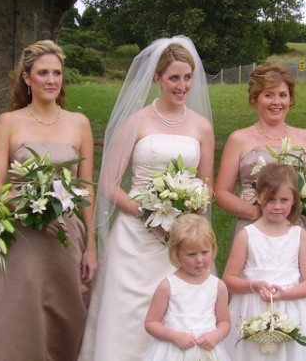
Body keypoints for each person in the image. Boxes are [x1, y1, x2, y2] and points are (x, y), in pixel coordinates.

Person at [78, 36, 214, 361]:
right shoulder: (137, 121)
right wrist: (149, 213)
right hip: (134, 239)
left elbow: (205, 187)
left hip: (180, 239)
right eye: (174, 78)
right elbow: (109, 184)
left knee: (177, 313)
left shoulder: (202, 127)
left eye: (187, 77)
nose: (182, 86)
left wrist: (183, 217)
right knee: (128, 316)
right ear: (157, 78)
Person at [214, 63, 306, 360]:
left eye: (282, 95)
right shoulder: (239, 139)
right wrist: (258, 214)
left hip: (297, 230)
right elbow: (220, 191)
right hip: (253, 228)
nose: (276, 102)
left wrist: (301, 212)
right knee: (248, 303)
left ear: (291, 99)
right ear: (255, 99)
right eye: (268, 95)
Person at [0, 40, 96, 361]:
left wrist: (91, 246)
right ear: (26, 78)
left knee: (65, 315)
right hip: (19, 235)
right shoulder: (9, 122)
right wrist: (31, 211)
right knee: (15, 316)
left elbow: (86, 189)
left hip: (66, 235)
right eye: (43, 73)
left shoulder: (79, 123)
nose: (51, 80)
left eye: (57, 73)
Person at [223, 163, 306, 360]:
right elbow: (229, 278)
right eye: (270, 199)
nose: (277, 206)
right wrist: (253, 285)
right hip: (251, 308)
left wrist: (285, 294)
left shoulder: (299, 235)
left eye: (284, 200)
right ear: (258, 197)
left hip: (291, 310)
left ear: (294, 200)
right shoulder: (247, 235)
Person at [142, 213, 231, 361]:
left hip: (206, 352)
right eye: (191, 254)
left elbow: (225, 322)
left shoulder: (218, 286)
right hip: (172, 351)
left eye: (204, 252)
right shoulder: (168, 286)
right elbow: (151, 323)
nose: (199, 260)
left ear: (213, 249)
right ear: (177, 254)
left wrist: (217, 335)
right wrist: (175, 337)